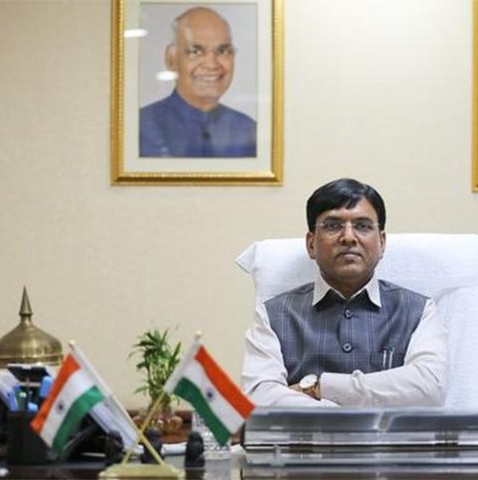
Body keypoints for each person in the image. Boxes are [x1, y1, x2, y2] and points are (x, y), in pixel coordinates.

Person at [242, 178, 448, 407]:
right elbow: (258, 397)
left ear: (381, 242)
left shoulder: (418, 310)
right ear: (311, 244)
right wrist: (351, 408)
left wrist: (319, 388)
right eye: (332, 225)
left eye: (362, 226)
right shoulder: (273, 314)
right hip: (306, 444)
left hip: (390, 444)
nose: (348, 237)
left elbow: (431, 389)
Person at [139, 7, 257, 158]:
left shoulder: (249, 132)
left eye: (223, 51)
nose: (212, 64)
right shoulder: (139, 130)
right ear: (171, 59)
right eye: (195, 51)